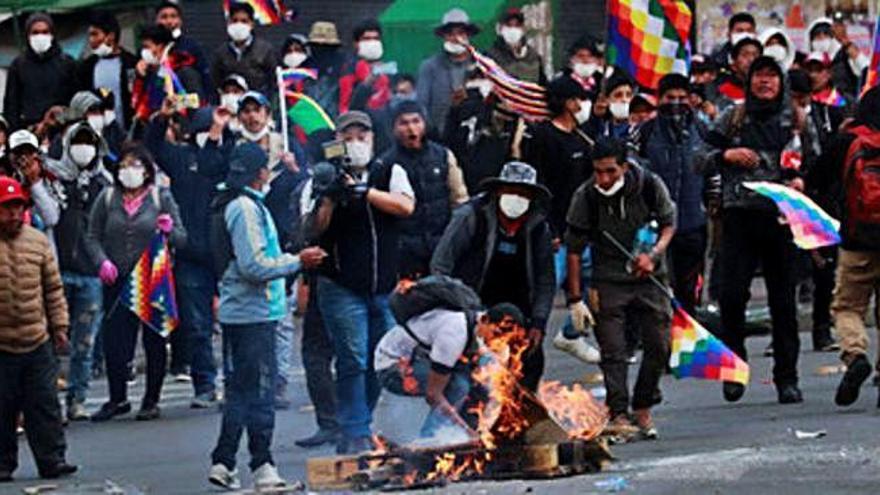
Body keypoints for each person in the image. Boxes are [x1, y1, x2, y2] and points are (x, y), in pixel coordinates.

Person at [696, 56, 817, 405]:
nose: (764, 82)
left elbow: (816, 162)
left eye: (771, 76)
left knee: (784, 304)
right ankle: (735, 369)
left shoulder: (796, 119)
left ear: (781, 82)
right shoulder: (733, 117)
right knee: (732, 298)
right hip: (739, 218)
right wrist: (727, 156)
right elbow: (698, 157)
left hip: (781, 221)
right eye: (758, 76)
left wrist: (800, 180)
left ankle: (787, 378)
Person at [208, 142, 326, 490]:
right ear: (260, 172)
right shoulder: (244, 209)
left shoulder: (235, 203)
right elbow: (254, 265)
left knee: (242, 392)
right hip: (252, 314)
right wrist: (298, 261)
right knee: (259, 393)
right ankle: (263, 467)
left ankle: (223, 461)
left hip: (244, 312)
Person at [304, 111, 415, 454]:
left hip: (383, 284)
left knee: (380, 361)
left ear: (372, 138)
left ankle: (358, 421)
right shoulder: (321, 178)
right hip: (341, 286)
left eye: (361, 135)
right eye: (347, 136)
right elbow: (312, 230)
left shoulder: (389, 171)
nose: (355, 142)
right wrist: (330, 197)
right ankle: (355, 431)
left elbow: (405, 206)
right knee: (352, 359)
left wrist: (366, 193)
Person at [565, 137, 676, 438]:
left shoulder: (650, 186)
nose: (604, 179)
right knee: (613, 351)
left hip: (650, 279)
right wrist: (575, 299)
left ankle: (643, 405)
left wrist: (653, 254)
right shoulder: (586, 196)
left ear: (624, 167)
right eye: (598, 172)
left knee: (659, 345)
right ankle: (618, 412)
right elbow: (573, 249)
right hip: (608, 280)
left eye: (611, 172)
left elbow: (668, 224)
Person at [430, 162, 554, 391]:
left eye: (522, 193)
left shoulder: (538, 227)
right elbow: (441, 264)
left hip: (518, 309)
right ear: (498, 191)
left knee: (530, 363)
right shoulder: (471, 216)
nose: (516, 198)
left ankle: (518, 421)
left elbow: (545, 279)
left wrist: (539, 321)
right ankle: (467, 421)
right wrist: (453, 310)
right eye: (511, 191)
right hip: (472, 306)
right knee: (474, 375)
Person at [86, 144, 187, 421]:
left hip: (151, 280)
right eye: (124, 166)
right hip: (117, 280)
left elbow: (181, 237)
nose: (129, 172)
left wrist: (168, 230)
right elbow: (92, 236)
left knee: (155, 339)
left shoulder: (159, 197)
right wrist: (101, 261)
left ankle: (151, 399)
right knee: (116, 341)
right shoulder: (107, 198)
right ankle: (117, 398)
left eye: (136, 165)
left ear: (147, 169)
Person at [145, 101, 232, 406]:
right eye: (203, 130)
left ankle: (234, 383)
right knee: (197, 326)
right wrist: (163, 115)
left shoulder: (228, 157)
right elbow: (152, 146)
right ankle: (205, 385)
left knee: (234, 322)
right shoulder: (182, 159)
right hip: (191, 254)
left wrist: (221, 132)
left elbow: (221, 160)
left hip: (227, 255)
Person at [0, 176, 78, 482]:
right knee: (2, 408)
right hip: (2, 344)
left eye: (18, 207)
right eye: (6, 209)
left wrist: (60, 326)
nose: (13, 215)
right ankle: (3, 464)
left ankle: (52, 459)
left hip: (37, 339)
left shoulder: (37, 241)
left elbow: (53, 289)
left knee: (44, 404)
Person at [807, 86, 880, 407]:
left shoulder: (848, 141)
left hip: (857, 239)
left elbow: (815, 180)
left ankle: (855, 353)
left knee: (848, 306)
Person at [375, 300, 527, 438]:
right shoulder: (455, 332)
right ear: (484, 320)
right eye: (496, 334)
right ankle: (430, 442)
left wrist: (483, 431)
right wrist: (465, 429)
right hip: (392, 367)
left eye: (504, 339)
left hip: (429, 361)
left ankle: (463, 445)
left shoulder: (498, 346)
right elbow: (433, 394)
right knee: (458, 386)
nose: (497, 342)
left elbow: (495, 393)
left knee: (479, 388)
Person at [43, 122, 111, 421]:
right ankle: (49, 403)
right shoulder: (54, 180)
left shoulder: (104, 184)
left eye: (89, 142)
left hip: (91, 272)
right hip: (58, 272)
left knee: (85, 341)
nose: (84, 148)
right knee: (52, 341)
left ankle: (77, 398)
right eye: (78, 142)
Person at [636, 74, 707, 314]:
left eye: (681, 98)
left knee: (689, 289)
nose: (676, 103)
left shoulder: (701, 129)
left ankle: (685, 336)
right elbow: (633, 173)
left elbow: (713, 169)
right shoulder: (644, 133)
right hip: (655, 225)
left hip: (693, 222)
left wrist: (711, 205)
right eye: (670, 98)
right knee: (654, 287)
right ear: (659, 99)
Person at [381, 100, 468, 278]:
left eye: (416, 121)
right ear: (394, 128)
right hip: (405, 250)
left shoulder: (443, 155)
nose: (411, 129)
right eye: (404, 123)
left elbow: (459, 199)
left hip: (442, 244)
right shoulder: (385, 163)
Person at [3, 12, 79, 131]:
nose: (40, 36)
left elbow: (76, 100)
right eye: (35, 32)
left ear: (52, 34)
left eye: (45, 32)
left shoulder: (67, 63)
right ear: (28, 35)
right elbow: (11, 105)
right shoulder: (18, 66)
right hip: (29, 131)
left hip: (61, 128)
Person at [417, 8, 480, 135]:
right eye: (450, 34)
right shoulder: (430, 67)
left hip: (474, 137)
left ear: (468, 35)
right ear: (443, 36)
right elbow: (421, 106)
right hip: (440, 136)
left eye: (461, 33)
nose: (456, 38)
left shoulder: (480, 66)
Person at [131, 25, 204, 131]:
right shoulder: (155, 72)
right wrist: (140, 78)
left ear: (160, 46)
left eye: (147, 47)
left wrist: (172, 104)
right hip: (157, 131)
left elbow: (197, 100)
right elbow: (148, 101)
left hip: (181, 132)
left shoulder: (184, 70)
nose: (144, 52)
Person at [78, 11, 139, 132]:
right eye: (89, 35)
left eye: (95, 34)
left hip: (127, 134)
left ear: (110, 36)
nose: (91, 40)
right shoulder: (87, 67)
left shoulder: (131, 63)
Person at [6, 130, 61, 253]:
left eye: (29, 153)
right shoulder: (4, 180)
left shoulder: (48, 179)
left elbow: (52, 219)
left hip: (41, 254)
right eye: (19, 153)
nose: (24, 159)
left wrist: (35, 182)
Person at [211, 2, 276, 96]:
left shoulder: (265, 50)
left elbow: (273, 83)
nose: (239, 25)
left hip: (257, 106)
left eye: (244, 21)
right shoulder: (220, 53)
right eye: (235, 20)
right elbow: (215, 84)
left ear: (252, 24)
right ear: (228, 23)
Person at [155, 0, 212, 96]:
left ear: (180, 21)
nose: (169, 21)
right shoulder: (152, 49)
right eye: (164, 17)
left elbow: (205, 77)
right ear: (156, 21)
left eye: (173, 16)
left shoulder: (192, 47)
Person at [807, 17, 867, 98]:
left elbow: (865, 67)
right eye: (817, 36)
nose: (822, 38)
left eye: (826, 34)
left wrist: (847, 44)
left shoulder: (845, 57)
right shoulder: (806, 63)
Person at [486, 7, 546, 85]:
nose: (513, 30)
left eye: (517, 25)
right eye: (509, 25)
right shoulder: (490, 56)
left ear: (523, 29)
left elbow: (543, 86)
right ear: (500, 28)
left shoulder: (534, 56)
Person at [709, 36, 762, 113]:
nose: (751, 59)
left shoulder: (767, 91)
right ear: (733, 63)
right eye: (745, 55)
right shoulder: (721, 91)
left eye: (755, 55)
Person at [307, 21, 346, 121]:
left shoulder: (346, 68)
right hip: (309, 124)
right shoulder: (303, 70)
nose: (321, 51)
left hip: (339, 125)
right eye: (317, 46)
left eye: (326, 47)